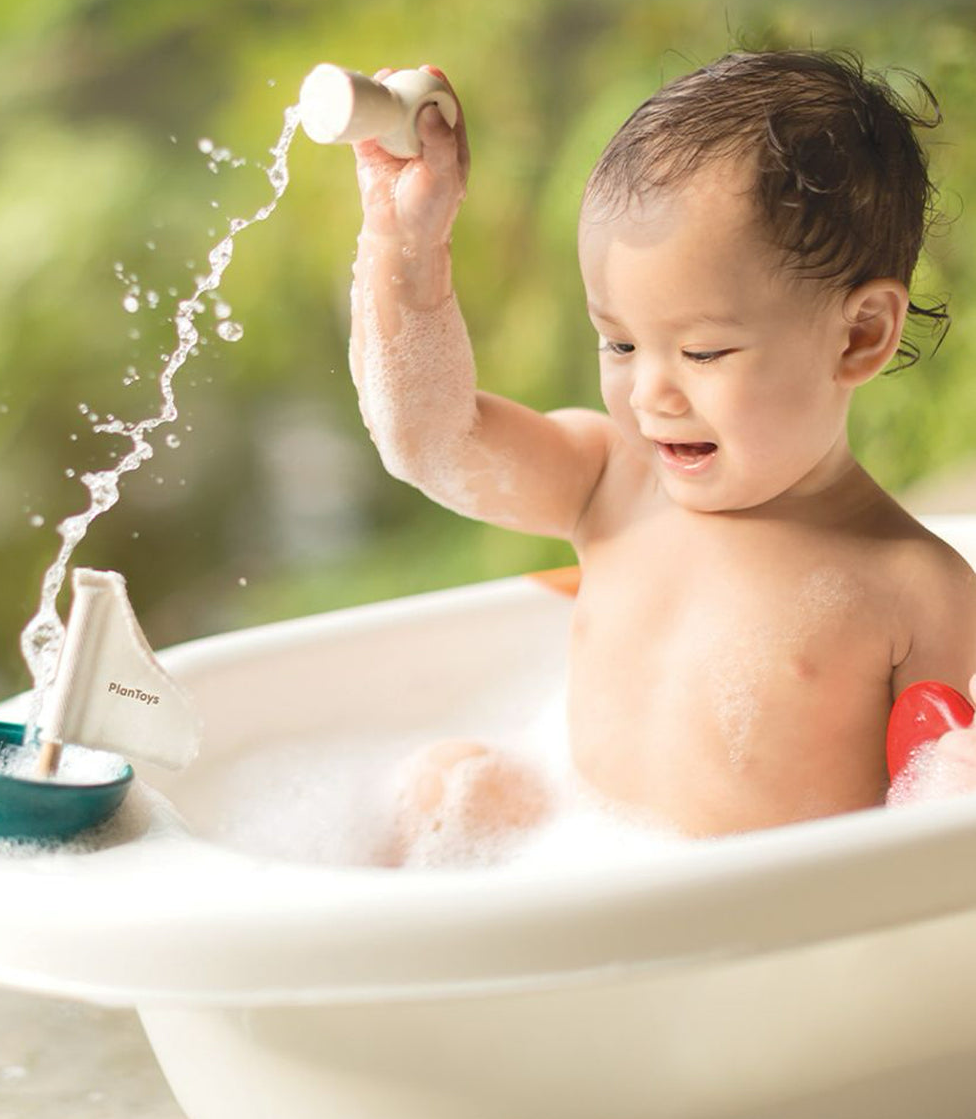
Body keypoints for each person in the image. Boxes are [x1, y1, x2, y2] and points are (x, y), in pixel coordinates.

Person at [346, 50, 976, 856]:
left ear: (860, 336)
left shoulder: (910, 586)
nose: (651, 394)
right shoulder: (610, 482)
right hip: (564, 870)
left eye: (704, 354)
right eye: (619, 343)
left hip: (740, 941)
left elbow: (933, 838)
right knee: (447, 781)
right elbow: (429, 441)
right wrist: (404, 241)